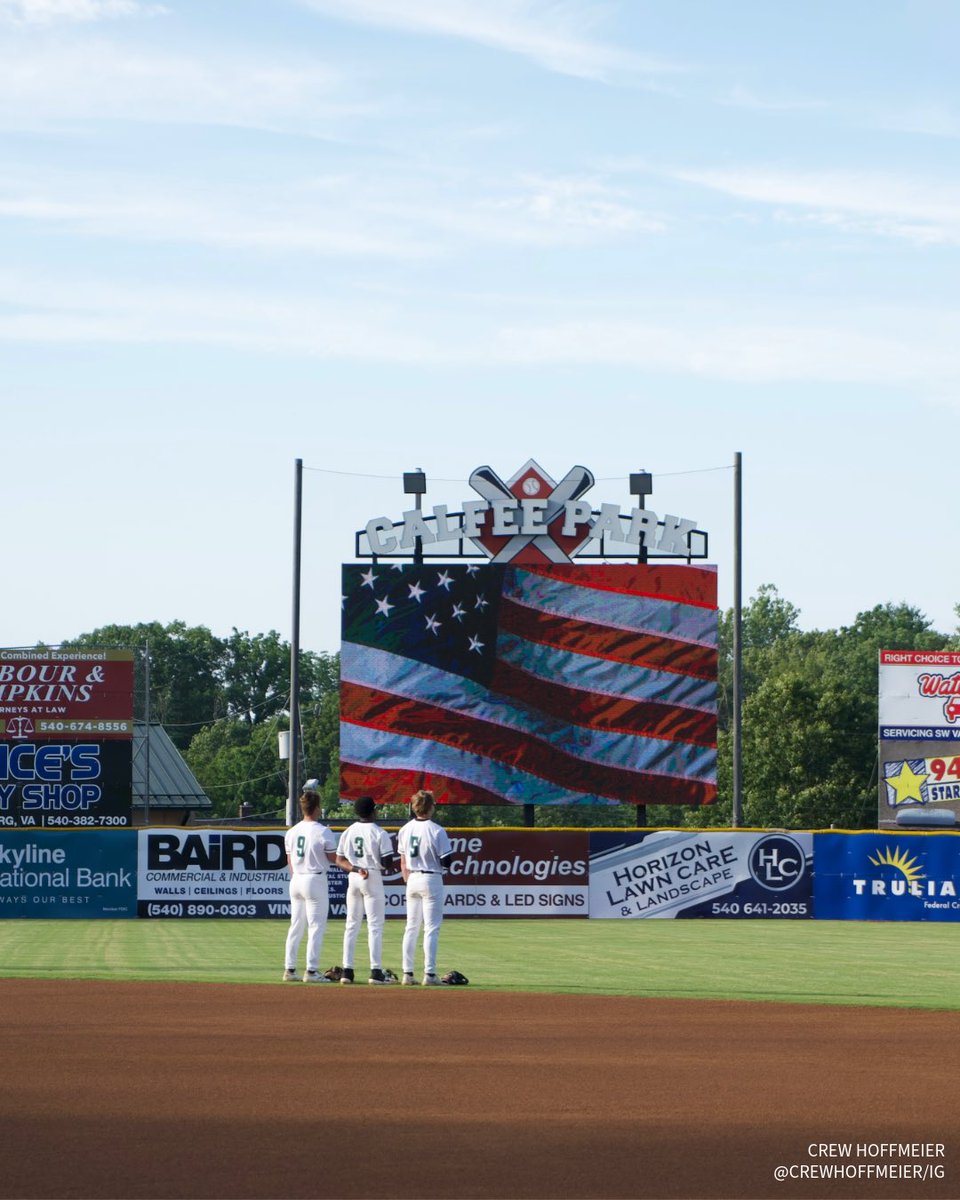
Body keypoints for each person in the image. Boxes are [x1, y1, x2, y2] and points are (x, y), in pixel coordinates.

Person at [335, 795, 399, 985]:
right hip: (371, 876)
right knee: (375, 926)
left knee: (351, 925)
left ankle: (347, 971)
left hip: (354, 876)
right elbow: (387, 863)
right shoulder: (379, 833)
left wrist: (355, 869)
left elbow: (339, 860)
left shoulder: (348, 831)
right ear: (373, 810)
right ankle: (375, 971)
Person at [282, 779, 338, 983]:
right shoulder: (323, 831)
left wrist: (296, 878)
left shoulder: (292, 831)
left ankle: (289, 969)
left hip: (296, 878)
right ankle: (312, 971)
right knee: (316, 926)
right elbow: (333, 858)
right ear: (316, 808)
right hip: (315, 879)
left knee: (296, 926)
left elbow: (289, 861)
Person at [397, 789, 453, 986]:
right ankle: (429, 974)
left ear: (414, 807)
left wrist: (408, 880)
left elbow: (403, 861)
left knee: (411, 927)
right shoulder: (436, 830)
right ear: (430, 807)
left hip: (412, 878)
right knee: (431, 928)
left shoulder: (405, 829)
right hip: (431, 878)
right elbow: (447, 861)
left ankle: (407, 973)